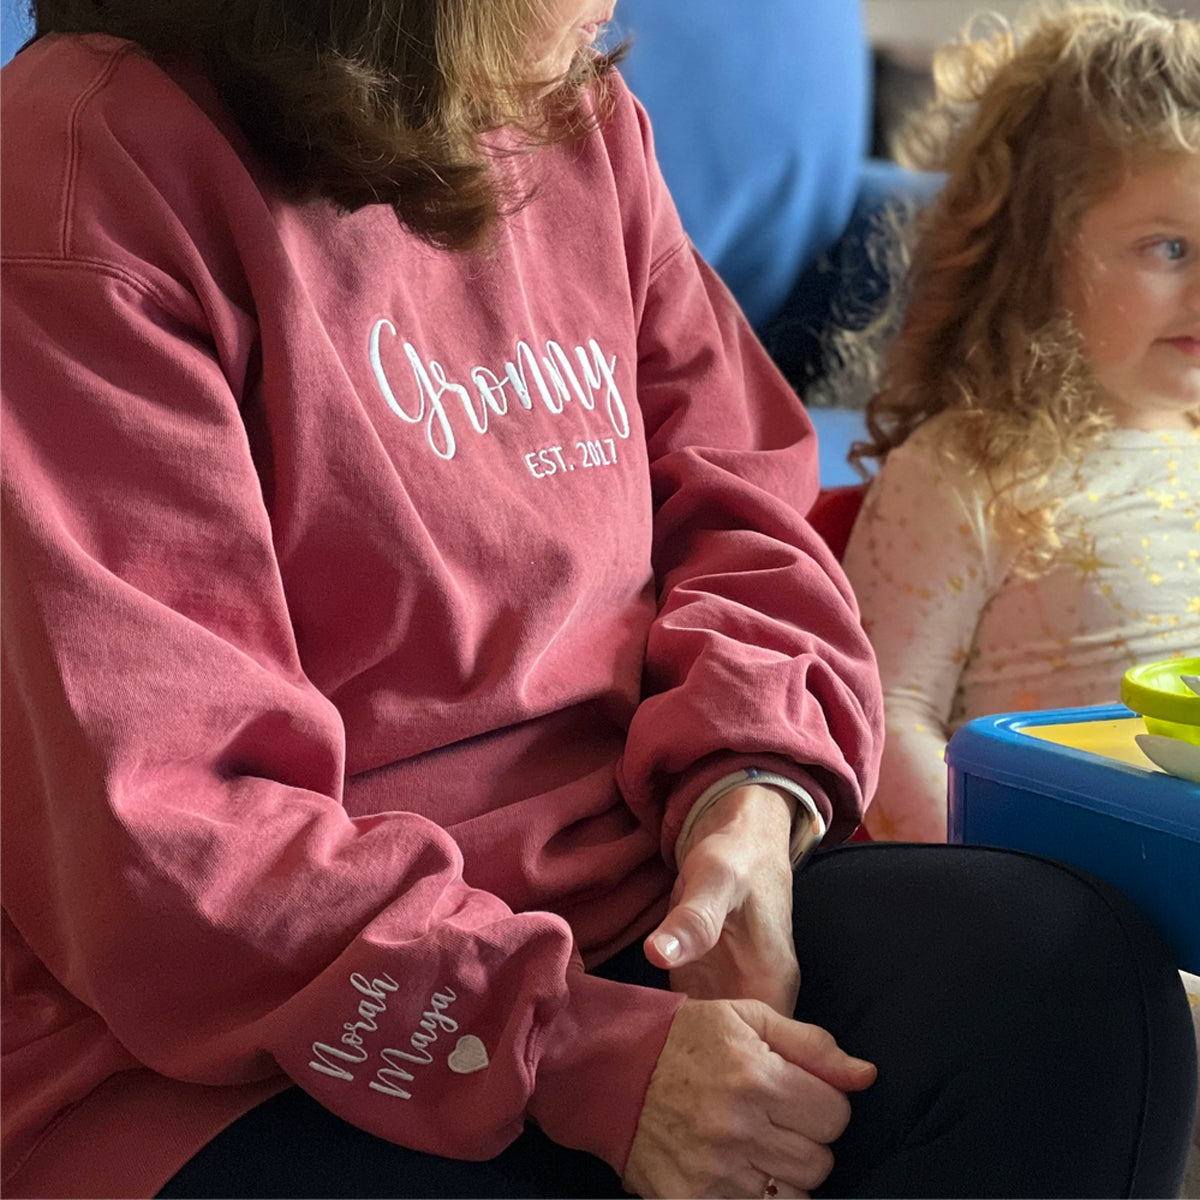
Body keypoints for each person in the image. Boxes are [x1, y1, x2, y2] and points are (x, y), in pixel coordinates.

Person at [1, 2, 1196, 1198]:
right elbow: (165, 825)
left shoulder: (575, 111)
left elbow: (742, 509)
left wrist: (748, 795)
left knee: (1068, 978)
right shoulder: (82, 169)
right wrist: (581, 1056)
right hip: (228, 1048)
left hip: (635, 898)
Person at [841, 0, 1200, 844]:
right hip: (1066, 919)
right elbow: (886, 719)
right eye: (1170, 248)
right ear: (1036, 253)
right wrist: (1009, 893)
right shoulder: (963, 468)